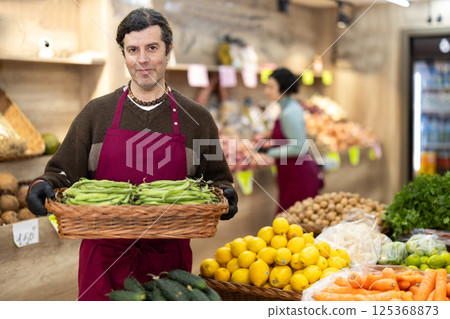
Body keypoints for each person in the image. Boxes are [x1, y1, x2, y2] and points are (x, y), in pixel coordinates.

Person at [26, 8, 238, 301]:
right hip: (103, 261)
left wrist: (226, 194)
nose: (142, 59)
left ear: (169, 50)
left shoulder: (197, 119)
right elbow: (62, 173)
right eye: (132, 50)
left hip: (168, 265)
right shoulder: (95, 114)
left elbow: (217, 181)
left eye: (152, 48)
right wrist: (41, 186)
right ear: (123, 53)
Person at [263, 67, 323, 215]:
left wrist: (269, 152)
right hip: (290, 174)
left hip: (298, 177)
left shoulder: (290, 112)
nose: (266, 91)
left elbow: (299, 148)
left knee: (292, 225)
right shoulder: (287, 108)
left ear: (283, 88)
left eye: (271, 86)